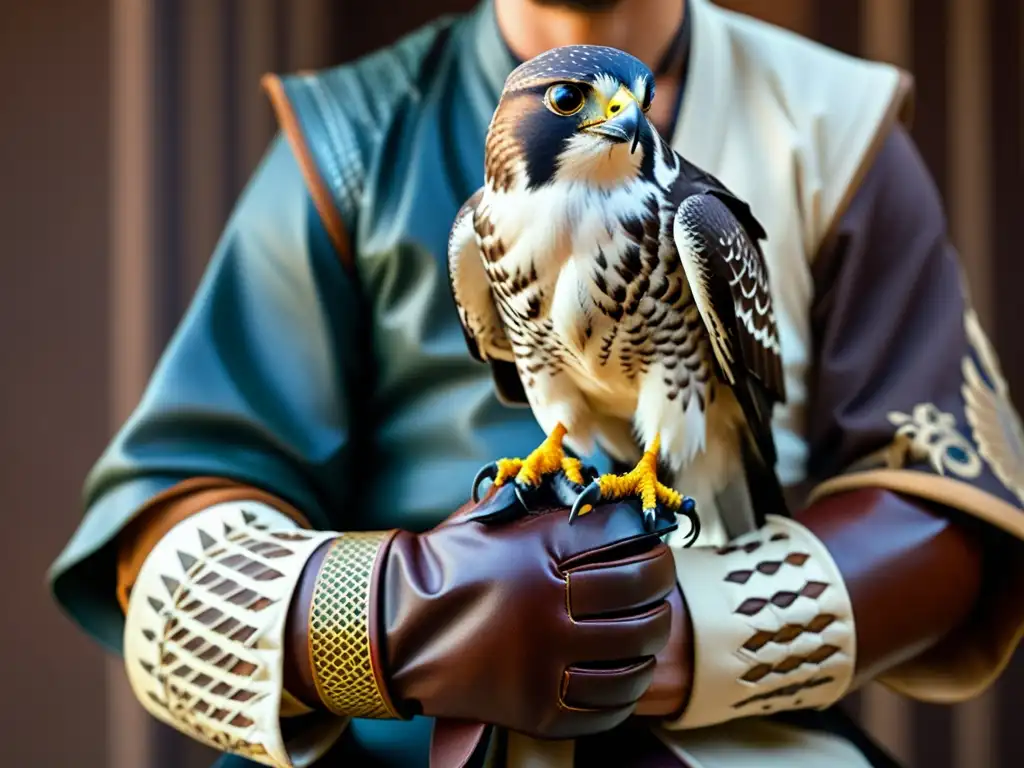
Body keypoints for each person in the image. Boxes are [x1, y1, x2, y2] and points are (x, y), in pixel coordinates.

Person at [49, 0, 1024, 766]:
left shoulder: (831, 122)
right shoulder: (348, 135)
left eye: (625, 105)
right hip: (396, 736)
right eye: (582, 104)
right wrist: (396, 615)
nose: (615, 118)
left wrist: (674, 634)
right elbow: (163, 537)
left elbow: (954, 501)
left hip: (730, 731)